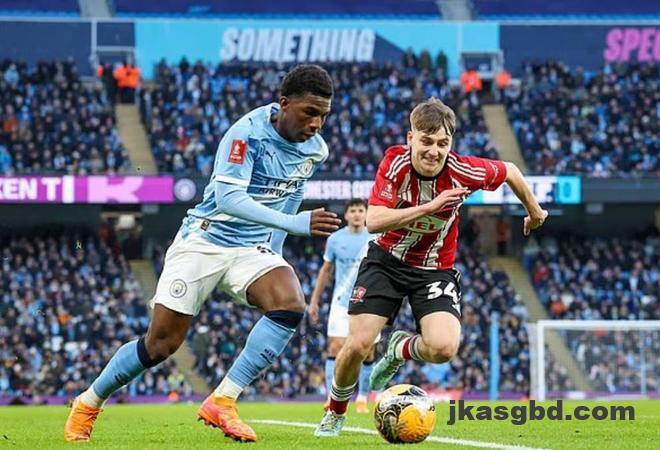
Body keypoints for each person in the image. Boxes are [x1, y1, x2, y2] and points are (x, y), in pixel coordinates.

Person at [65, 64, 340, 443]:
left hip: (250, 247)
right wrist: (294, 224)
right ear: (284, 103)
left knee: (290, 303)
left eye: (323, 115)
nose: (317, 124)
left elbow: (292, 192)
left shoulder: (315, 149)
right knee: (161, 345)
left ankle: (223, 400)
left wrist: (275, 249)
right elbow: (228, 199)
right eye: (310, 112)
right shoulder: (246, 135)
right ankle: (89, 401)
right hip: (204, 241)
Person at [315, 97, 548, 436]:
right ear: (410, 138)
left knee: (443, 348)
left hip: (434, 270)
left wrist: (534, 211)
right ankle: (336, 412)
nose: (434, 151)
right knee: (358, 345)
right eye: (426, 141)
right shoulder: (394, 163)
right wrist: (430, 207)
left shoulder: (464, 170)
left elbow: (510, 170)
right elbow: (374, 220)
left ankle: (398, 348)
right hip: (386, 261)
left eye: (443, 143)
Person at [308, 198, 375, 414]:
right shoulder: (335, 239)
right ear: (346, 215)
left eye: (360, 210)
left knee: (367, 352)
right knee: (335, 347)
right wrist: (314, 300)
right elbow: (325, 270)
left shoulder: (375, 237)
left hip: (368, 303)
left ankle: (362, 397)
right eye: (353, 211)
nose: (356, 214)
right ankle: (331, 397)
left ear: (366, 214)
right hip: (340, 302)